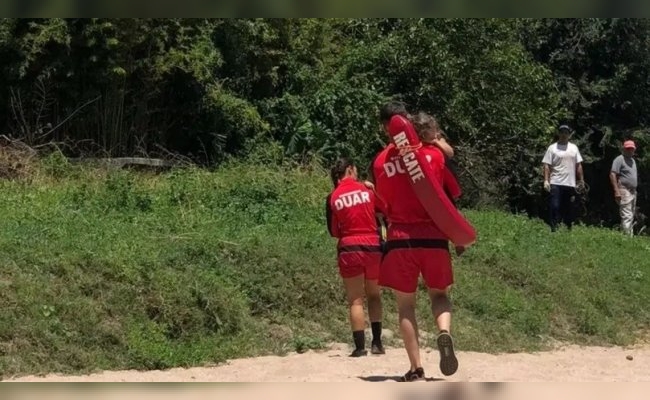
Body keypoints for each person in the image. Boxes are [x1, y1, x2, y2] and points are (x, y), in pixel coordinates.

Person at [369, 101, 459, 381]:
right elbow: (447, 197)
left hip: (400, 239)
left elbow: (383, 204)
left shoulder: (380, 162)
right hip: (434, 237)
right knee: (439, 295)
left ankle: (416, 367)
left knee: (406, 306)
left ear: (386, 127)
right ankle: (444, 332)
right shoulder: (432, 155)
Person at [326, 157, 386, 357]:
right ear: (350, 169)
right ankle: (377, 343)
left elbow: (334, 231)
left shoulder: (333, 197)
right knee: (374, 295)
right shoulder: (367, 190)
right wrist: (373, 188)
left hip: (349, 248)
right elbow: (384, 208)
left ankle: (360, 347)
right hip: (373, 247)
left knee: (355, 300)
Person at [410, 111, 465, 256]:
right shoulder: (414, 144)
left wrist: (436, 142)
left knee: (450, 205)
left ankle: (458, 238)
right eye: (433, 129)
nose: (436, 131)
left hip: (442, 175)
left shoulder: (438, 139)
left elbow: (450, 152)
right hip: (426, 180)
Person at [542, 125, 585, 232]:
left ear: (569, 135)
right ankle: (554, 228)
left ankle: (567, 227)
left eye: (566, 132)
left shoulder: (574, 148)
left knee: (569, 207)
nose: (564, 134)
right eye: (562, 132)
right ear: (558, 133)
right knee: (555, 205)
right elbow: (547, 165)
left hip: (570, 183)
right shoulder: (552, 148)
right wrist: (546, 180)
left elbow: (578, 165)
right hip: (556, 181)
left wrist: (581, 180)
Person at [610, 140, 638, 236]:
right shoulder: (619, 159)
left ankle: (628, 235)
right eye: (628, 149)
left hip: (633, 191)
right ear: (624, 149)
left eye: (632, 149)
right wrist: (616, 191)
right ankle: (627, 238)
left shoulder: (633, 161)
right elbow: (613, 174)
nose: (630, 150)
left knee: (631, 214)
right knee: (627, 214)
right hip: (624, 189)